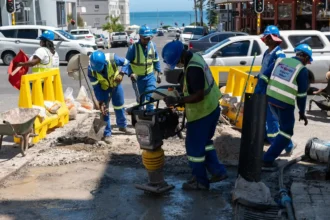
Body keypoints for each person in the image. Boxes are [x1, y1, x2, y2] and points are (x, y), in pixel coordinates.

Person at [162, 40, 227, 190]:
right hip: (211, 108)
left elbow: (198, 95)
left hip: (202, 113)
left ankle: (200, 181)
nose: (177, 65)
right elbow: (193, 85)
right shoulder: (195, 57)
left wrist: (178, 100)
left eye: (177, 62)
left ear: (180, 57)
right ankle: (218, 172)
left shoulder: (193, 68)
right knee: (205, 143)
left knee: (194, 149)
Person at [260, 44, 311, 168]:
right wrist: (302, 112)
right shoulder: (301, 69)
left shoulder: (280, 60)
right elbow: (302, 95)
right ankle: (267, 159)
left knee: (283, 126)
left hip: (271, 99)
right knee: (286, 132)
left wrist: (262, 94)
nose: (307, 63)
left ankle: (288, 146)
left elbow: (264, 76)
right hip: (285, 103)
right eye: (308, 60)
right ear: (304, 57)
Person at [254, 25, 296, 155]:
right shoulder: (267, 53)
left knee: (272, 120)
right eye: (265, 38)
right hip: (263, 89)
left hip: (271, 92)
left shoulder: (279, 54)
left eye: (267, 38)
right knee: (267, 118)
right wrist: (259, 77)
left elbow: (276, 74)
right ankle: (278, 142)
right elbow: (265, 69)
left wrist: (264, 82)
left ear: (274, 39)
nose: (265, 40)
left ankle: (284, 146)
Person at [88, 51, 130, 144]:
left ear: (105, 63)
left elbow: (126, 62)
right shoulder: (91, 70)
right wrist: (101, 101)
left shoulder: (112, 58)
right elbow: (96, 87)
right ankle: (107, 134)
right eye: (97, 70)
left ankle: (122, 125)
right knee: (104, 110)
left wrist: (122, 73)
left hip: (116, 84)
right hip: (103, 89)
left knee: (119, 105)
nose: (98, 71)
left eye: (100, 69)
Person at [125, 25, 162, 111]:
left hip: (150, 76)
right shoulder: (133, 48)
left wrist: (159, 73)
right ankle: (140, 114)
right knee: (140, 99)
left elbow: (156, 60)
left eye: (148, 38)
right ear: (140, 36)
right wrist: (131, 73)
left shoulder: (153, 46)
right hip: (137, 78)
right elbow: (126, 63)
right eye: (145, 38)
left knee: (150, 97)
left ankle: (150, 114)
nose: (147, 40)